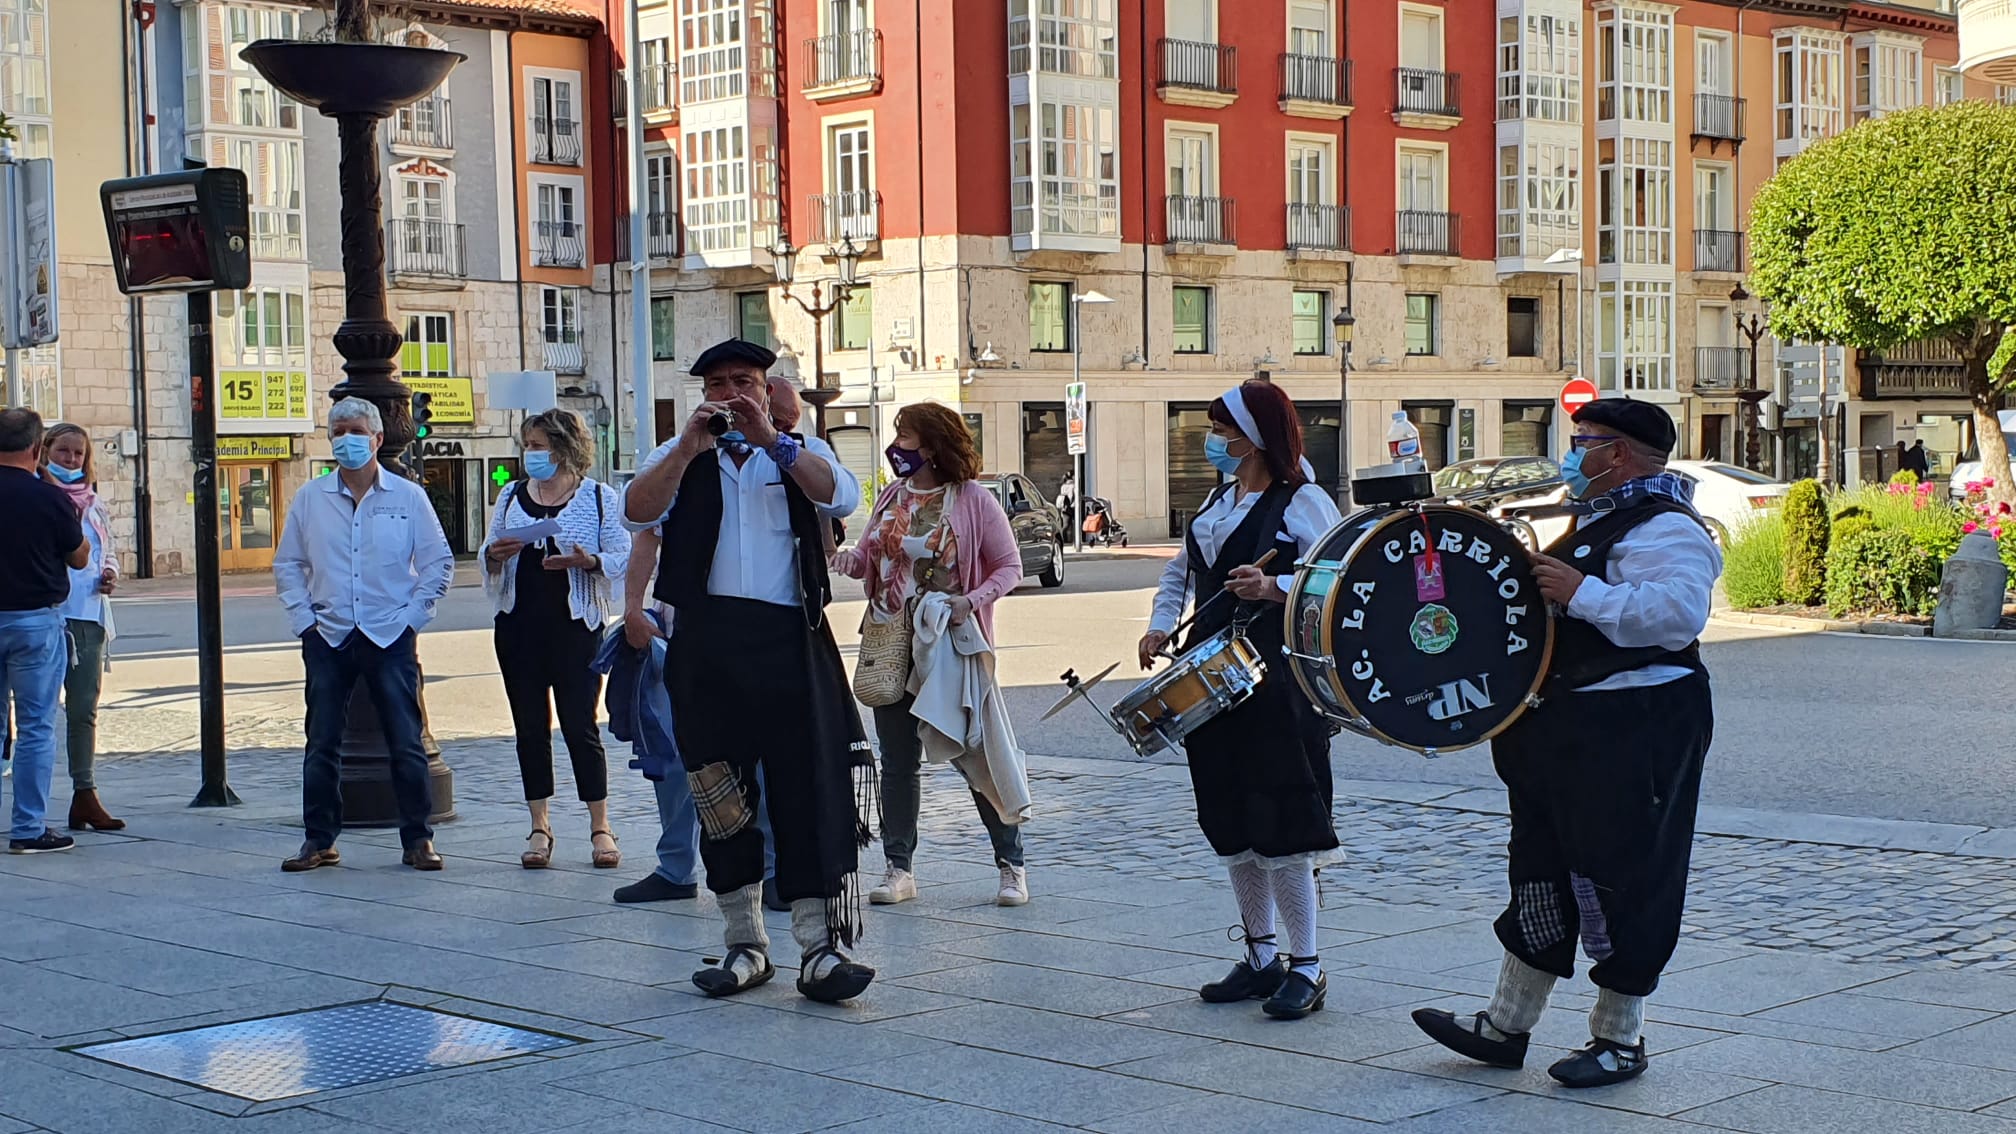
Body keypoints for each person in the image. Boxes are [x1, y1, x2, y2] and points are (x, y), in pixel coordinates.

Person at [1410, 397, 1719, 1088]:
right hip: (1568, 727)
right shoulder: (1600, 516)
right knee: (1541, 868)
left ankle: (1620, 1038)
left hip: (1636, 726)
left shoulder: (1668, 527)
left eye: (1585, 442)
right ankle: (1505, 1023)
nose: (1574, 453)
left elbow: (1674, 616)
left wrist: (1582, 592)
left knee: (1626, 875)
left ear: (1618, 454)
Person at [623, 338, 875, 1003]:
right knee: (719, 792)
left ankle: (819, 949)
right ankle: (744, 944)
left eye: (744, 381)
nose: (730, 393)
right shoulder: (677, 456)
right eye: (717, 383)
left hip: (791, 637)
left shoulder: (798, 452)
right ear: (701, 393)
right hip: (707, 644)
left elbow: (840, 498)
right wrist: (684, 450)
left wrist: (775, 441)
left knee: (806, 787)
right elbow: (637, 512)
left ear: (768, 390)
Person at [1138, 381, 1343, 1020]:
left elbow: (1337, 575)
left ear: (1254, 436)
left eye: (1224, 430)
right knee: (1230, 819)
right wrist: (1159, 620)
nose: (1216, 441)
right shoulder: (1219, 499)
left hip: (1275, 678)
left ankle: (1306, 964)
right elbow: (1181, 572)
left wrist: (1275, 584)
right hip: (1207, 673)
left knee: (1283, 819)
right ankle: (1260, 956)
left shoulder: (1303, 499)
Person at [831, 402, 1032, 908]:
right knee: (898, 762)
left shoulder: (972, 500)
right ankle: (899, 868)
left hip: (950, 645)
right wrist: (833, 552)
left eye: (906, 436)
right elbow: (865, 561)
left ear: (933, 444)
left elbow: (1009, 567)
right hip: (892, 643)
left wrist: (970, 602)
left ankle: (1012, 866)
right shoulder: (892, 497)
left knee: (974, 754)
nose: (897, 445)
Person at [611, 378, 795, 911]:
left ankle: (772, 870)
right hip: (680, 630)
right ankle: (675, 866)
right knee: (673, 753)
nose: (778, 425)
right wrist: (633, 608)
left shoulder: (784, 458)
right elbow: (645, 530)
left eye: (784, 420)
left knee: (760, 759)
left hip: (757, 635)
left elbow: (823, 535)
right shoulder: (681, 455)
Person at [274, 397, 455, 873]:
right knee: (322, 741)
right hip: (329, 634)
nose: (346, 440)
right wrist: (304, 622)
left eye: (355, 431)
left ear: (376, 439)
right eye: (338, 431)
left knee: (406, 739)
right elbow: (288, 563)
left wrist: (413, 617)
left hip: (389, 632)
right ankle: (319, 839)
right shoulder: (311, 498)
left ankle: (418, 838)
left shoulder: (407, 496)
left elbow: (438, 562)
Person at [482, 409, 631, 871]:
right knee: (529, 727)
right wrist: (495, 554)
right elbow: (490, 555)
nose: (532, 454)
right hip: (518, 627)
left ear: (565, 447)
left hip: (575, 629)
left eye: (539, 445)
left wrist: (588, 562)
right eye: (528, 445)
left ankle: (600, 826)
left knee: (580, 727)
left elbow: (621, 556)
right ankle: (539, 826)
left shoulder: (599, 498)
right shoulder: (509, 495)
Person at [0, 407, 89, 854]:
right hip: (35, 620)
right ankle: (28, 828)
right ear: (36, 449)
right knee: (36, 725)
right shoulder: (49, 498)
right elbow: (79, 557)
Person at [40, 423, 123, 831]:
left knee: (83, 710)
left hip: (87, 613)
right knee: (36, 711)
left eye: (77, 454)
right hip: (46, 613)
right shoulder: (41, 498)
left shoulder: (95, 503)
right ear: (45, 453)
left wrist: (108, 571)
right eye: (63, 452)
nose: (71, 461)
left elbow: (109, 549)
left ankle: (84, 792)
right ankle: (30, 805)